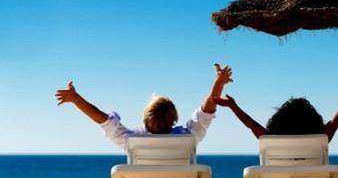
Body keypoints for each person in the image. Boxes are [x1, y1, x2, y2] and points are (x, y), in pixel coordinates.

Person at [55, 64, 233, 151]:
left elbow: (103, 119)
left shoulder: (132, 140)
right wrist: (218, 83)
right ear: (174, 118)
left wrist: (76, 99)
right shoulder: (189, 137)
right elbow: (206, 111)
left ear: (145, 118)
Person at [213, 84, 338, 142]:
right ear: (313, 120)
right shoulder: (322, 137)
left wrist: (233, 106)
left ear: (279, 120)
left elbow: (251, 124)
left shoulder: (270, 139)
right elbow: (336, 122)